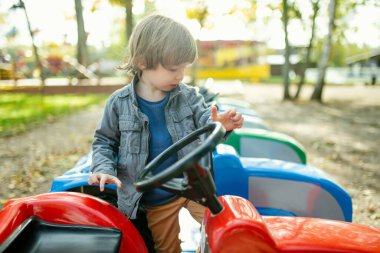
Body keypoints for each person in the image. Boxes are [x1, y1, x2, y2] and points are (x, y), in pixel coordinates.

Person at [88, 14, 243, 253]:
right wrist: (102, 169)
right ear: (142, 62)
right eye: (173, 68)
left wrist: (219, 124)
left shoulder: (189, 96)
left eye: (184, 68)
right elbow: (104, 142)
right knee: (167, 248)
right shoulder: (118, 103)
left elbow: (205, 121)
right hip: (155, 198)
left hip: (194, 187)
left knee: (220, 230)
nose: (180, 75)